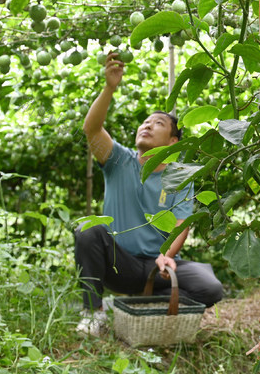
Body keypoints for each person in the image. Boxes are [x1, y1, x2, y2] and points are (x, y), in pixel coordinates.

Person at [75, 52, 224, 336]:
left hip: (158, 267)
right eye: (145, 122)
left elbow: (181, 225)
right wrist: (109, 88)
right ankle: (94, 314)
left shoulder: (179, 176)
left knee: (210, 287)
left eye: (157, 123)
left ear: (172, 141)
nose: (146, 125)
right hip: (120, 264)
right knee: (89, 229)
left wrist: (167, 256)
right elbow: (91, 129)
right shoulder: (120, 160)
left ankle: (144, 306)